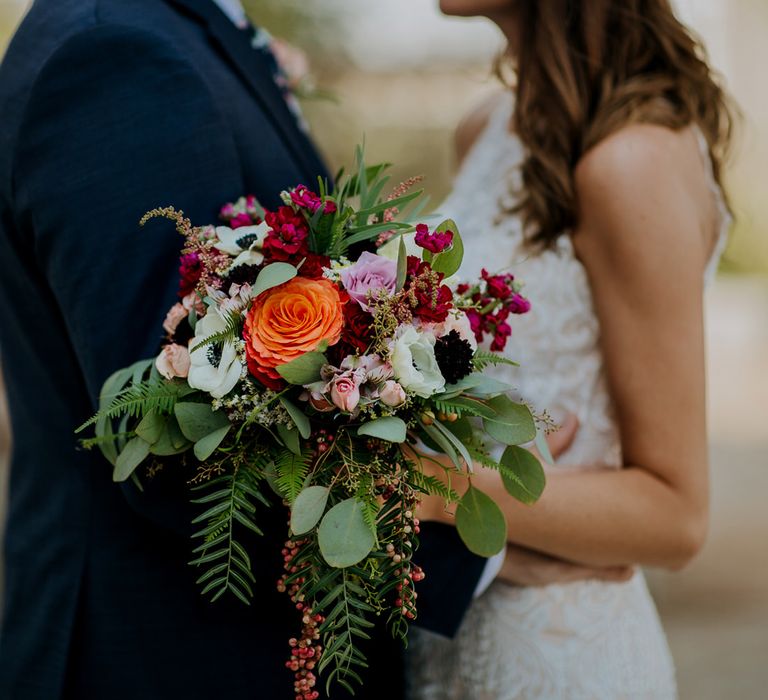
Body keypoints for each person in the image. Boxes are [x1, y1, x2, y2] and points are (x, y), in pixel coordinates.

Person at [0, 0, 511, 697]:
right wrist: (488, 549)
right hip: (172, 655)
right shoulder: (114, 51)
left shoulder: (179, 31)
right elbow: (172, 437)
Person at [408, 1, 735, 698]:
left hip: (560, 655)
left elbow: (676, 515)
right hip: (450, 634)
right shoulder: (487, 129)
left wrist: (432, 489)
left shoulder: (634, 161)